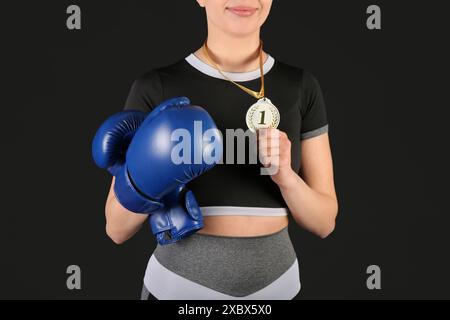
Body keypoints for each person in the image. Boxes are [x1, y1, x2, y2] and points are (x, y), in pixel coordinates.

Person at [103, 0, 338, 300]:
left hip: (277, 290)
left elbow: (324, 222)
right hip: (179, 290)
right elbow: (116, 228)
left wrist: (287, 178)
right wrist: (151, 174)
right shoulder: (156, 87)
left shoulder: (301, 86)